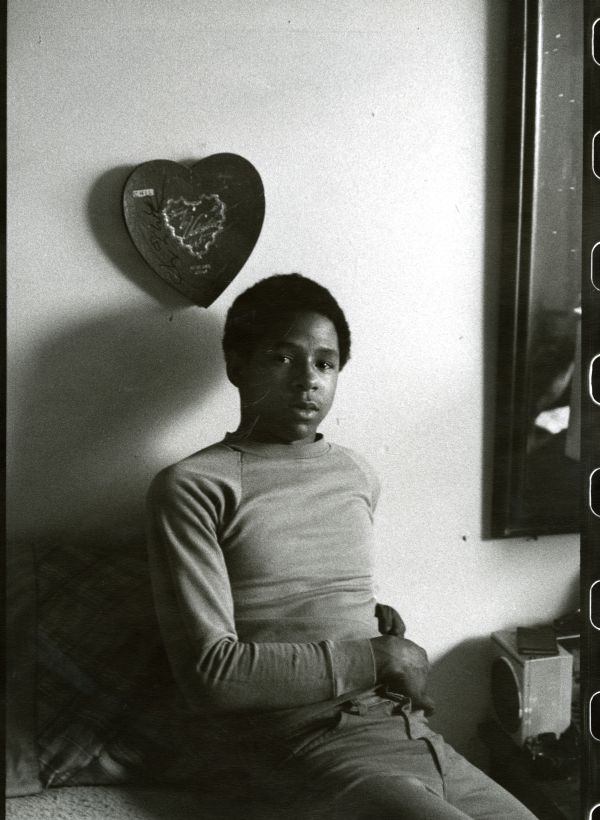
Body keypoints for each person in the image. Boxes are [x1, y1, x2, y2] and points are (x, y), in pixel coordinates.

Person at [146, 273, 537, 819]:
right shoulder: (195, 486)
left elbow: (311, 590)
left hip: (407, 733)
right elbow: (212, 677)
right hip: (300, 747)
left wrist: (369, 623)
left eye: (326, 363)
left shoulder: (357, 474)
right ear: (237, 365)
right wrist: (378, 656)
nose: (308, 380)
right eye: (282, 358)